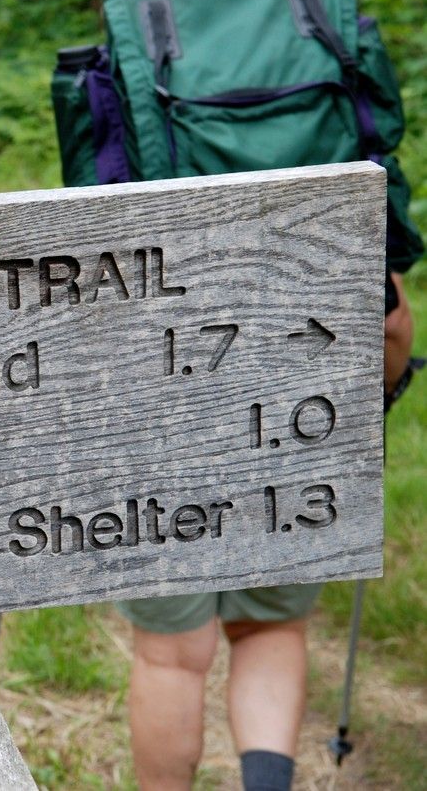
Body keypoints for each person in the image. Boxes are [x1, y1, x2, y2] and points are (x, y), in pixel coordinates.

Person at [117, 270, 417, 791]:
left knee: (170, 654)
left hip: (149, 411)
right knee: (269, 627)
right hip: (292, 411)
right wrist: (379, 395)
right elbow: (390, 318)